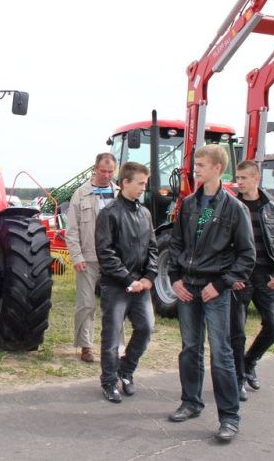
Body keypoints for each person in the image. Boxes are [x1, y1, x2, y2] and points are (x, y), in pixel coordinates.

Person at [167, 144, 255, 443]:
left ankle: (229, 418)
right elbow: (177, 243)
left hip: (214, 290)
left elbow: (246, 255)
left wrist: (220, 284)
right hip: (188, 289)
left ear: (218, 168)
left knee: (221, 354)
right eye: (196, 165)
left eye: (202, 164)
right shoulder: (190, 204)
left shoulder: (234, 208)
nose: (196, 169)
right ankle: (191, 402)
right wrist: (175, 278)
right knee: (190, 348)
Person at [95, 162, 157, 403]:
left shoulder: (145, 213)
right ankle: (109, 382)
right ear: (125, 183)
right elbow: (105, 252)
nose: (144, 188)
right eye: (140, 183)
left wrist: (149, 277)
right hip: (116, 286)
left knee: (146, 329)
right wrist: (129, 280)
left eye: (145, 183)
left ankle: (126, 370)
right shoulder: (109, 213)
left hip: (140, 287)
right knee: (111, 338)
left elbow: (152, 247)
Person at [232, 160, 274, 400]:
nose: (240, 182)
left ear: (256, 179)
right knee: (237, 331)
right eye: (238, 177)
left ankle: (249, 361)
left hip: (266, 277)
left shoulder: (272, 208)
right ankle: (237, 378)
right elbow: (220, 245)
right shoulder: (230, 206)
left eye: (244, 178)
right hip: (240, 278)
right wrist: (230, 276)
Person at [65, 153, 119, 362]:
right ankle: (86, 346)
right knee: (86, 303)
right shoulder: (81, 194)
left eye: (110, 171)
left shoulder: (119, 194)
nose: (106, 175)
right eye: (103, 171)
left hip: (113, 259)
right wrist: (76, 256)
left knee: (114, 305)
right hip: (88, 258)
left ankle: (114, 346)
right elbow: (71, 229)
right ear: (95, 169)